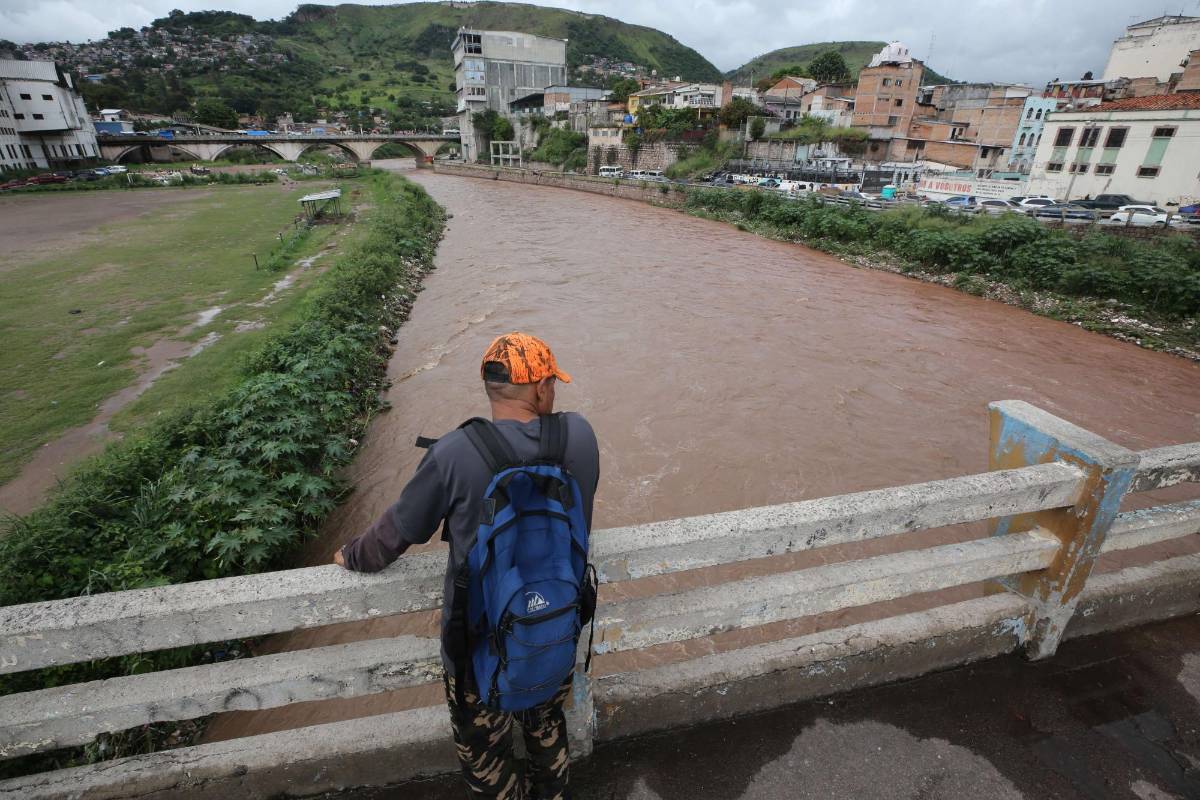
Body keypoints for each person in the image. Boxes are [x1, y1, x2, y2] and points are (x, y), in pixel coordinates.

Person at [336, 332, 600, 799]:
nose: (555, 392)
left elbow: (392, 537)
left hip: (476, 649)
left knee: (488, 756)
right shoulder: (578, 436)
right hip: (555, 629)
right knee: (546, 728)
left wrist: (348, 555)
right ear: (540, 388)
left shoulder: (455, 452)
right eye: (553, 383)